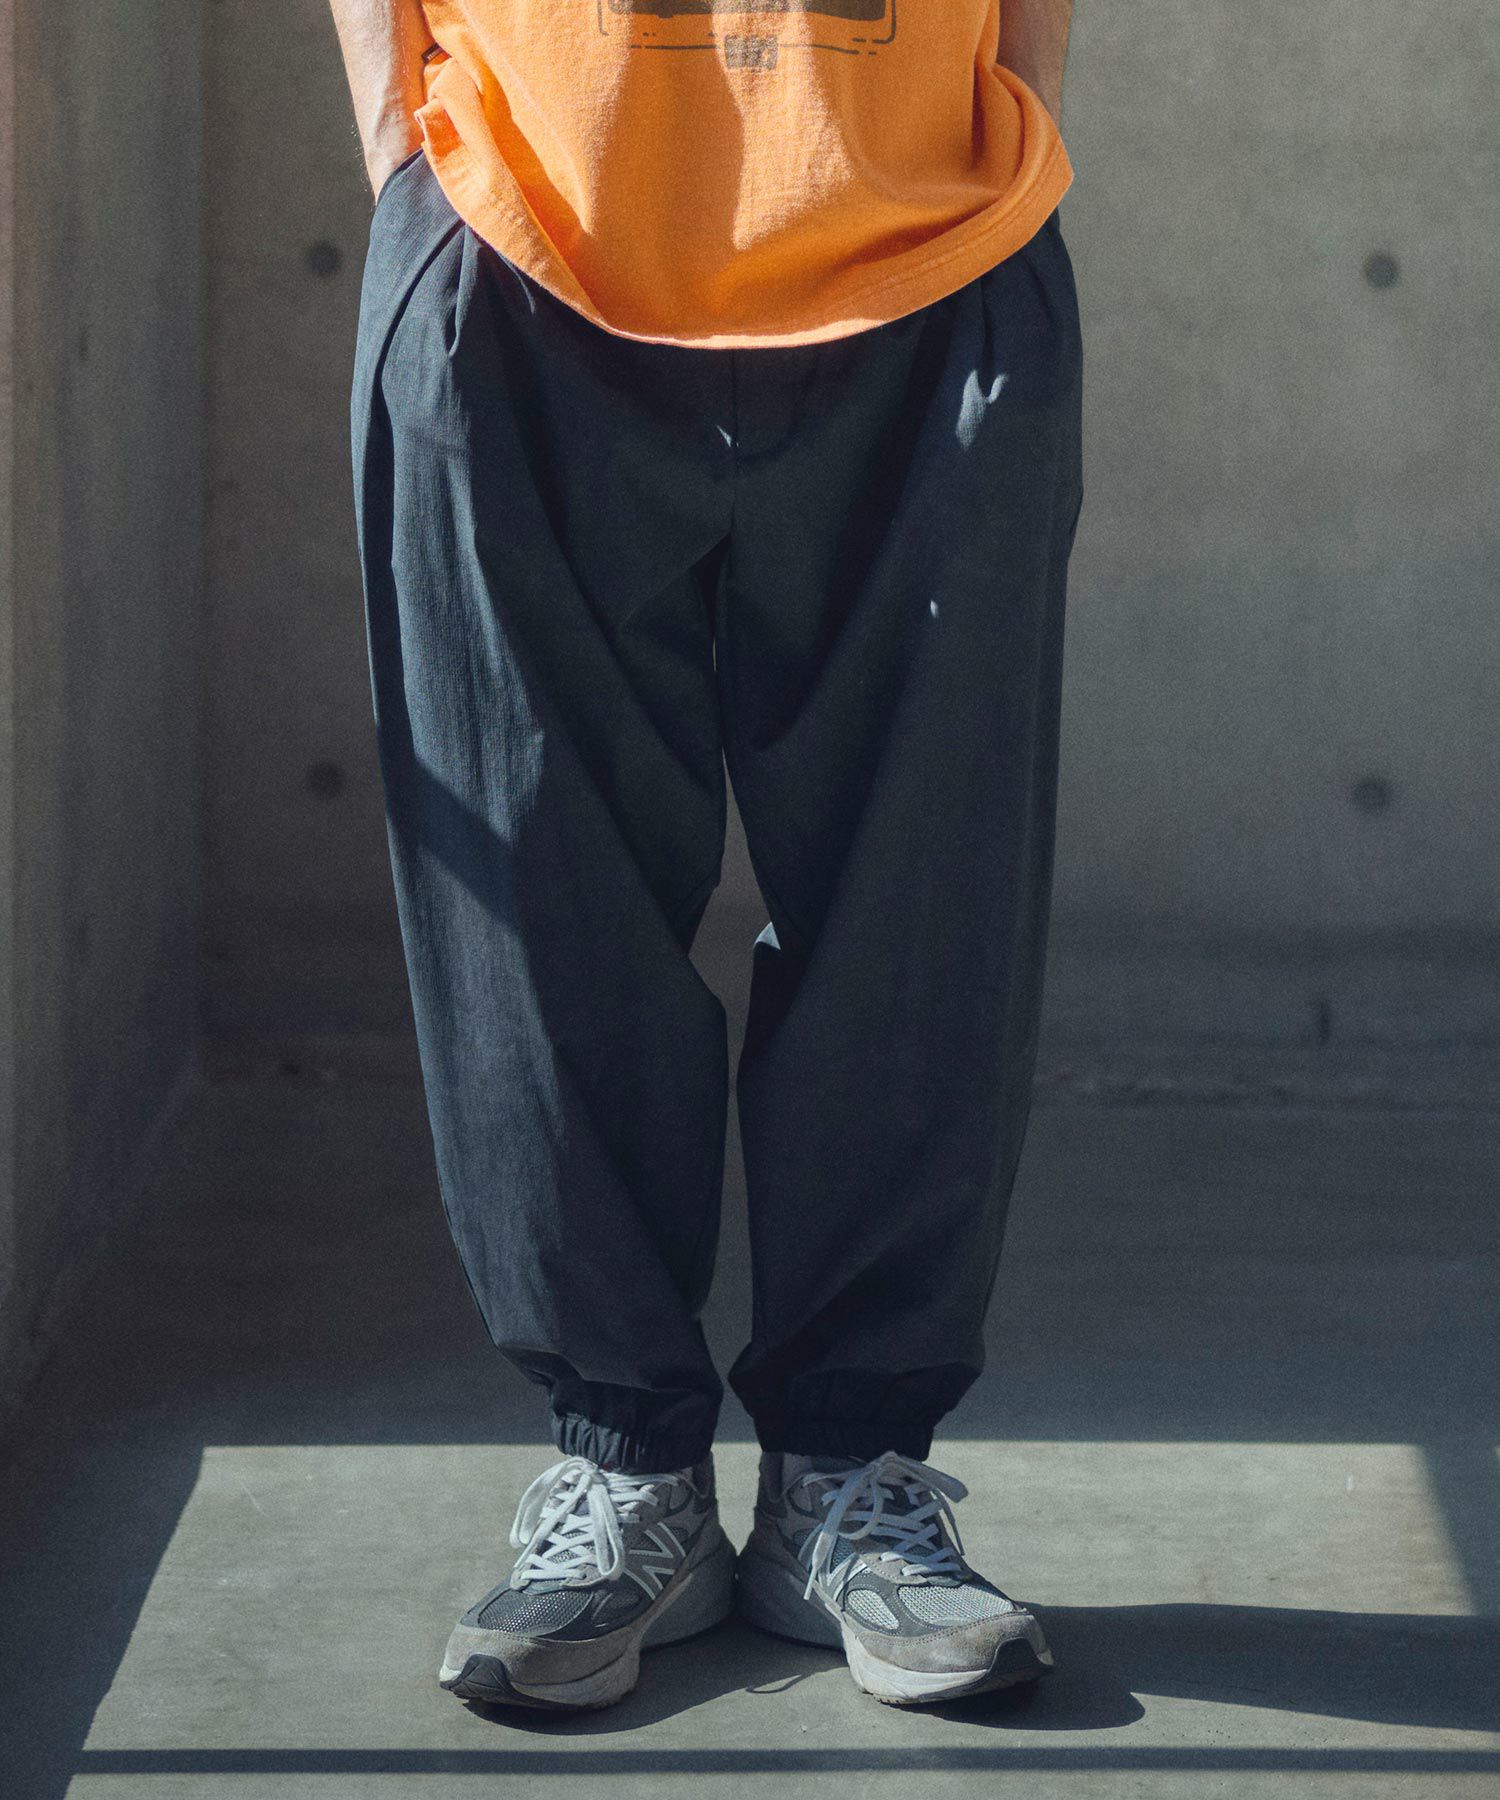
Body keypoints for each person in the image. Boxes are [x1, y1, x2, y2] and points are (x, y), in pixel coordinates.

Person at [331, 0, 1082, 1712]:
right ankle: (627, 1476)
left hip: (933, 246)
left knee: (923, 895)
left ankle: (850, 1478)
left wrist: (1020, 109)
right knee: (533, 903)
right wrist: (404, 161)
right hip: (518, 231)